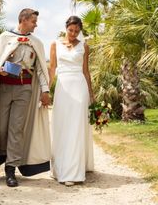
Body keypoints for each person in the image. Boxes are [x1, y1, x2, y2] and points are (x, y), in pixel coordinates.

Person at [0, 8, 52, 187]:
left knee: (16, 129)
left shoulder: (37, 43)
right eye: (34, 21)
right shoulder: (4, 38)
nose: (36, 25)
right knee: (2, 128)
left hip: (24, 89)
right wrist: (0, 69)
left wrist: (45, 91)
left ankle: (10, 169)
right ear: (24, 20)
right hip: (4, 88)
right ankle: (3, 155)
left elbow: (41, 69)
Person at [49, 15, 94, 186]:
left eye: (76, 31)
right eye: (71, 30)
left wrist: (91, 93)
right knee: (62, 126)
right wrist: (46, 89)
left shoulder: (84, 46)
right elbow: (52, 69)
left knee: (76, 127)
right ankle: (60, 167)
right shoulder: (55, 44)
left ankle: (73, 172)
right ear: (66, 28)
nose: (74, 33)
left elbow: (86, 71)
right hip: (63, 87)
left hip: (79, 87)